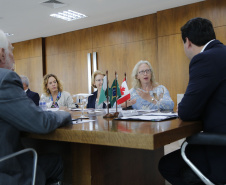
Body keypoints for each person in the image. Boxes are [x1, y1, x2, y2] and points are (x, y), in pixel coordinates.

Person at [159, 17, 226, 184]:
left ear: (187, 42)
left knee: (167, 165)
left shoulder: (205, 59)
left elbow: (187, 111)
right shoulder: (221, 54)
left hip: (221, 151)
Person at [0, 29, 72, 185]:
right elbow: (41, 122)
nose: (14, 58)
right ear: (1, 54)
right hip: (7, 171)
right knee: (59, 162)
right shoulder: (5, 79)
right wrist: (64, 114)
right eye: (12, 51)